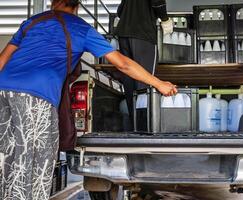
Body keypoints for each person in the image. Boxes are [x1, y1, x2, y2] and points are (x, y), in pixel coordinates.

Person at [0, 0, 177, 199]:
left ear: (52, 3)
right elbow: (123, 64)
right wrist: (158, 83)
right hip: (37, 96)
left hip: (3, 92)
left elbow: (2, 60)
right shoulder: (81, 29)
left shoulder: (32, 22)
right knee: (35, 161)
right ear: (76, 7)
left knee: (7, 157)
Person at [115, 0, 174, 125]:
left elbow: (119, 12)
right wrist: (165, 19)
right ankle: (144, 124)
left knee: (129, 78)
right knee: (145, 79)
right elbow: (158, 2)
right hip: (143, 33)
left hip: (124, 34)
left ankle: (134, 124)